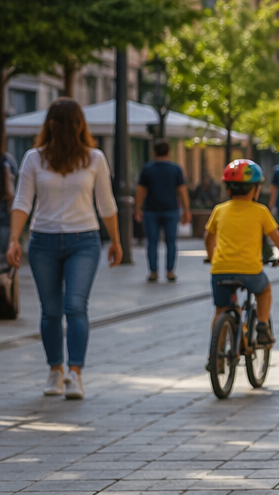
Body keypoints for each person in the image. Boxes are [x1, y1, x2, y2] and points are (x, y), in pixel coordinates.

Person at [7, 99, 121, 400]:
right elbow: (22, 201)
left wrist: (116, 242)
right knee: (51, 311)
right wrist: (14, 239)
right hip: (43, 242)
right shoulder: (34, 159)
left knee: (75, 306)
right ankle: (55, 370)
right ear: (53, 126)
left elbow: (106, 205)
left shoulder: (94, 159)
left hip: (84, 241)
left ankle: (75, 373)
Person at [205, 159, 279, 353]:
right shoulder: (260, 211)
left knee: (220, 310)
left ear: (228, 189)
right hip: (250, 270)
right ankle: (262, 324)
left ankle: (216, 357)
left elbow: (208, 238)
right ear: (256, 189)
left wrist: (212, 257)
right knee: (264, 290)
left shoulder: (219, 210)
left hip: (220, 271)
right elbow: (277, 237)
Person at [134, 139, 190, 283]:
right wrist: (186, 210)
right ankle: (170, 271)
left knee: (152, 242)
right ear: (169, 152)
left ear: (154, 152)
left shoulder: (147, 169)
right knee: (171, 242)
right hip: (171, 210)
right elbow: (182, 191)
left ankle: (153, 272)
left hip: (151, 210)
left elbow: (141, 191)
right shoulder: (176, 169)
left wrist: (138, 208)